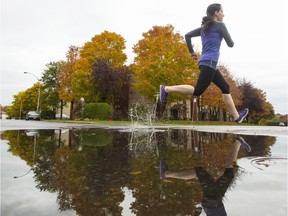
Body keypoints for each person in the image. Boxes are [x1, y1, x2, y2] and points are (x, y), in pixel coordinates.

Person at [159, 3, 249, 123]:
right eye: (222, 11)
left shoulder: (204, 28)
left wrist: (191, 52)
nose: (224, 14)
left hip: (207, 62)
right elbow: (230, 44)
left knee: (225, 87)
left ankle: (237, 117)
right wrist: (226, 36)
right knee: (198, 90)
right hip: (209, 62)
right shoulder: (220, 25)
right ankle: (166, 89)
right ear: (216, 12)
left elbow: (188, 35)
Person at [159, 136, 251, 216]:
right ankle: (238, 142)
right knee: (229, 173)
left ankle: (166, 173)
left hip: (213, 200)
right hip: (214, 200)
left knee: (200, 171)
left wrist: (196, 213)